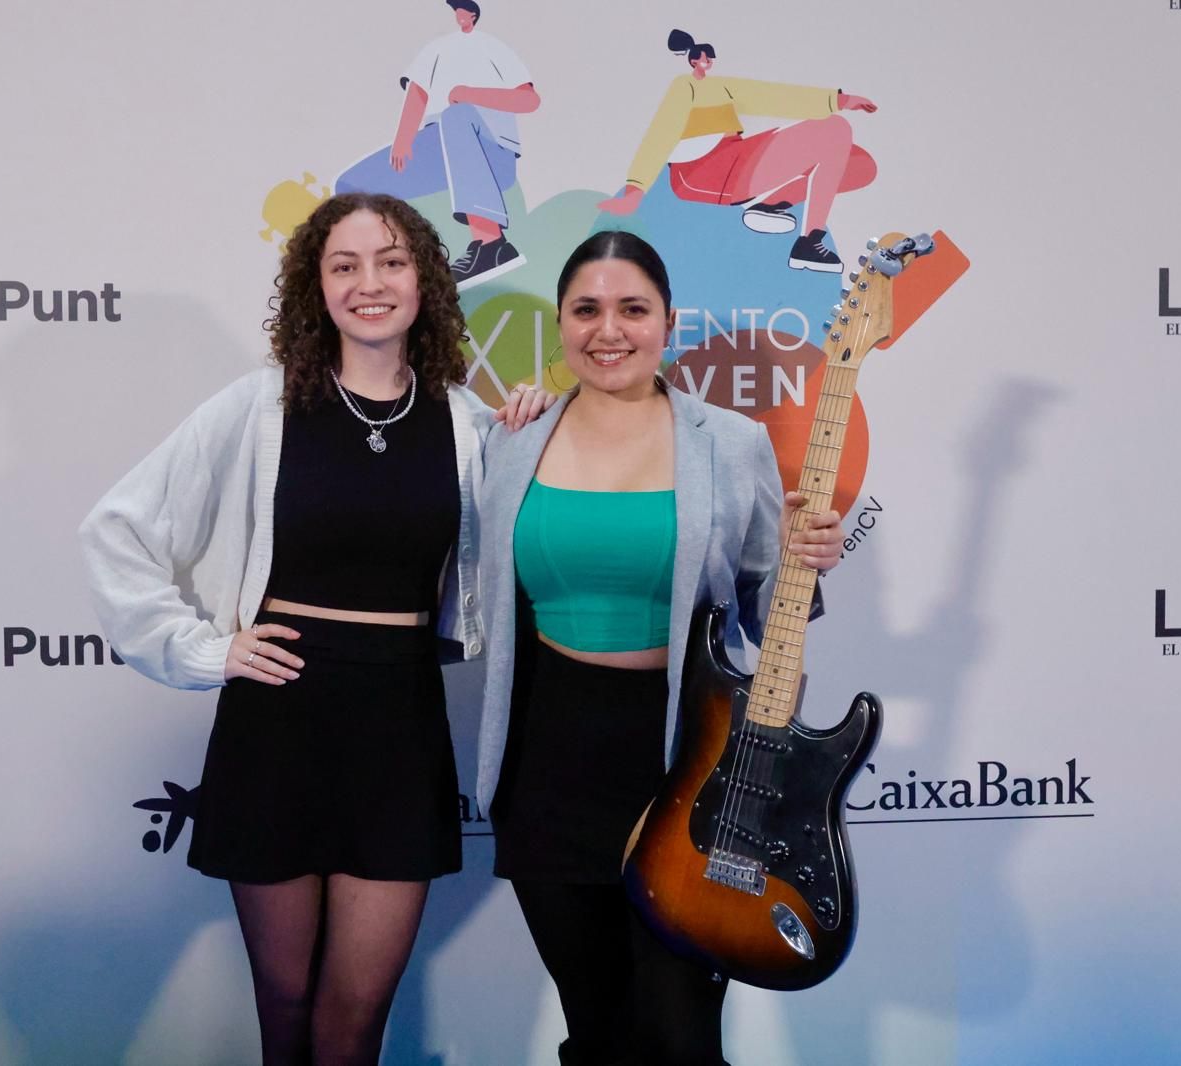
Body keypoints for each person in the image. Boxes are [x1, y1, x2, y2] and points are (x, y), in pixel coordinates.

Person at [78, 191, 550, 1066]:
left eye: (391, 262)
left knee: (354, 1019)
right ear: (316, 287)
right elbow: (118, 528)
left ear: (425, 282)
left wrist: (528, 440)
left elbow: (542, 545)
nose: (369, 283)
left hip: (400, 725)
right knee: (287, 1010)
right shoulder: (262, 406)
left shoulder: (465, 421)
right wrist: (205, 650)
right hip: (279, 722)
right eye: (345, 265)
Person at [473, 231, 845, 1065]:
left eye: (633, 309)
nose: (610, 329)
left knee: (677, 1039)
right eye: (588, 309)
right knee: (597, 1030)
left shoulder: (732, 442)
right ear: (562, 324)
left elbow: (765, 613)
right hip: (550, 767)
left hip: (686, 769)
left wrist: (803, 562)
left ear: (667, 324)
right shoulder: (510, 439)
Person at [598, 29, 879, 274]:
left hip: (735, 158)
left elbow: (771, 96)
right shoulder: (684, 86)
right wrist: (636, 188)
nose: (707, 63)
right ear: (693, 60)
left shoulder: (721, 87)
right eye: (703, 58)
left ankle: (770, 205)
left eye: (711, 58)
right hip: (702, 172)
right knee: (834, 130)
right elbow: (661, 132)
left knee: (858, 166)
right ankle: (808, 243)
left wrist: (840, 99)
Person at [335, 0, 540, 290]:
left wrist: (471, 94)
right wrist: (404, 140)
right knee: (349, 184)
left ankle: (491, 244)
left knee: (456, 115)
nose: (459, 15)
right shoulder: (435, 49)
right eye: (455, 9)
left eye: (464, 9)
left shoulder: (491, 47)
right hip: (437, 146)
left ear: (473, 15)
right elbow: (417, 93)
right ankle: (384, 266)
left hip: (491, 147)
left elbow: (528, 100)